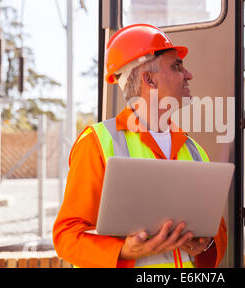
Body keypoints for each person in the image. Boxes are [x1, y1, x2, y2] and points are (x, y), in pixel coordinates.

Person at [53, 24, 228, 268]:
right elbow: (68, 237)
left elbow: (216, 228)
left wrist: (206, 243)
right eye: (177, 66)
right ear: (149, 79)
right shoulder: (96, 143)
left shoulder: (194, 150)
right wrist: (122, 251)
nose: (188, 75)